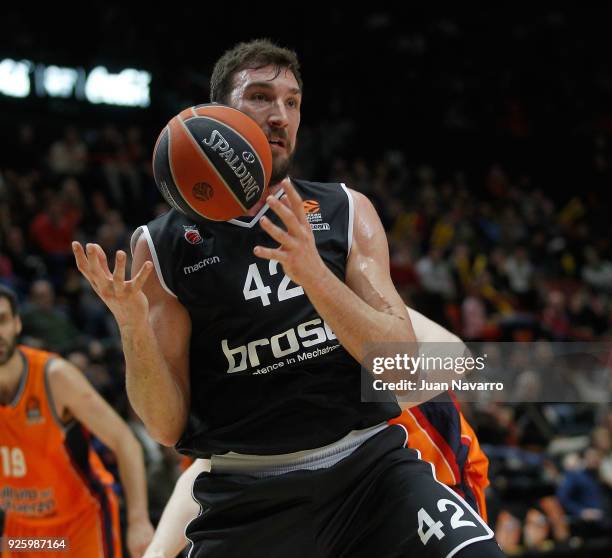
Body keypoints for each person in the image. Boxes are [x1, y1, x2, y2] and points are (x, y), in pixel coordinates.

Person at [73, 39, 503, 557]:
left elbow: (403, 365)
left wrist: (312, 273)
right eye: (259, 96)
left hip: (370, 471)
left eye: (292, 102)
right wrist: (132, 328)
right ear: (218, 114)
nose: (280, 115)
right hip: (249, 493)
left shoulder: (346, 210)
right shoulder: (161, 249)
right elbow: (166, 426)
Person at [0, 285, 154, 557]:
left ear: (16, 323)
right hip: (22, 531)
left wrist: (139, 521)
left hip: (80, 522)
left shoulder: (54, 377)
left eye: (1, 320)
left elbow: (125, 441)